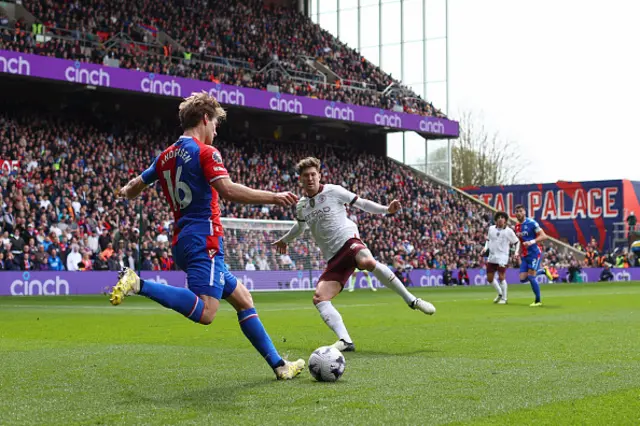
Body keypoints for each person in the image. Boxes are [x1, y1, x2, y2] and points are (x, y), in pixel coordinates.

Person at [109, 91, 304, 380]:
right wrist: (273, 197)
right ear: (204, 118)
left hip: (184, 240)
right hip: (205, 239)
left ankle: (280, 366)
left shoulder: (164, 156)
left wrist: (125, 192)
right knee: (207, 312)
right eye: (215, 124)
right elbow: (227, 189)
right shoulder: (206, 152)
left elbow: (136, 184)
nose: (215, 130)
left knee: (243, 299)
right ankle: (139, 284)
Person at [273, 157, 435, 352]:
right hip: (333, 258)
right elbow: (300, 227)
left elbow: (363, 204)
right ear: (300, 179)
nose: (310, 178)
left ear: (319, 175)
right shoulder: (301, 206)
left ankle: (412, 300)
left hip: (349, 241)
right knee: (319, 298)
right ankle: (346, 341)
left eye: (313, 174)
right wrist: (285, 240)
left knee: (366, 261)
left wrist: (387, 210)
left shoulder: (333, 190)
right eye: (306, 175)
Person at [514, 205, 548, 307]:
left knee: (531, 277)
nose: (518, 213)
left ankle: (538, 301)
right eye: (516, 211)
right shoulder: (517, 227)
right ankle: (543, 271)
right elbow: (520, 242)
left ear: (525, 212)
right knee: (522, 279)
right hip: (525, 255)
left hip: (534, 253)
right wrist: (517, 252)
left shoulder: (532, 223)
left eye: (520, 211)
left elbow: (544, 236)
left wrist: (532, 241)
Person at [481, 211, 519, 304]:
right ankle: (500, 293)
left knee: (501, 277)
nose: (500, 219)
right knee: (490, 279)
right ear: (496, 220)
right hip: (492, 257)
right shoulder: (491, 229)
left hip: (502, 257)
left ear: (505, 220)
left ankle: (504, 299)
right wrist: (485, 248)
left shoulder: (509, 231)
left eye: (502, 217)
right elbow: (488, 240)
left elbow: (517, 242)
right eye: (498, 217)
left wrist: (516, 252)